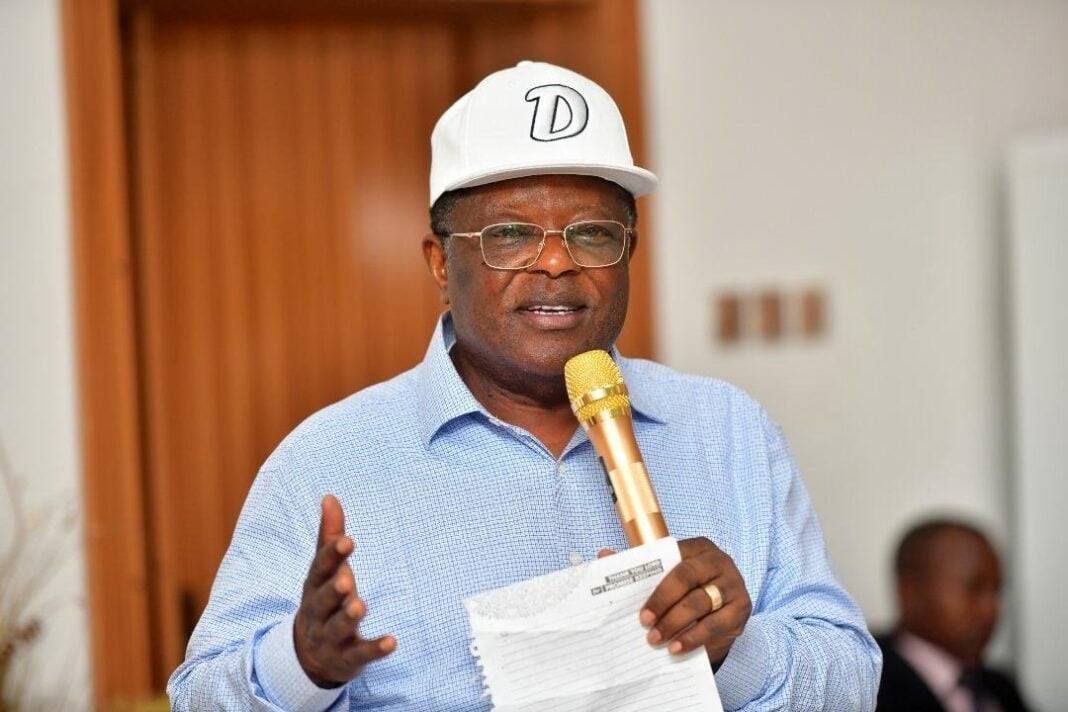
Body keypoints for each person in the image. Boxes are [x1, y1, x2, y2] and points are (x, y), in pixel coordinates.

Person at [168, 60, 880, 711]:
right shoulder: (329, 460)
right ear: (440, 265)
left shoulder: (729, 430)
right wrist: (304, 666)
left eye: (593, 234)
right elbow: (197, 698)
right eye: (510, 235)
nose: (557, 264)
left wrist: (732, 651)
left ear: (628, 253)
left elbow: (853, 681)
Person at [875, 518, 1031, 712]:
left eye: (997, 590)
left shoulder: (999, 686)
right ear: (911, 593)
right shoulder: (867, 688)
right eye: (975, 589)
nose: (992, 609)